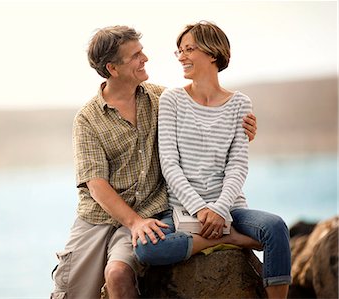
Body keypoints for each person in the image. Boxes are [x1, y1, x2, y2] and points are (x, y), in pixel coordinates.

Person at [50, 25, 258, 299]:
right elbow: (96, 185)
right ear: (113, 69)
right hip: (97, 219)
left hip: (150, 213)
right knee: (70, 292)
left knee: (117, 274)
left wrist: (243, 132)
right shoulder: (87, 119)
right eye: (136, 55)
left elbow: (209, 131)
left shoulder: (165, 100)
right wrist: (134, 222)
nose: (145, 59)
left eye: (142, 52)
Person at [134, 21, 291, 299]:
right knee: (147, 248)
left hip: (230, 208)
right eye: (179, 51)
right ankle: (228, 238)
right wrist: (201, 209)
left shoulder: (240, 103)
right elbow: (169, 163)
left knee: (276, 227)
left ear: (213, 53)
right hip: (182, 211)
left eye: (189, 49)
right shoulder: (172, 100)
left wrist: (219, 210)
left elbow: (237, 165)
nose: (181, 56)